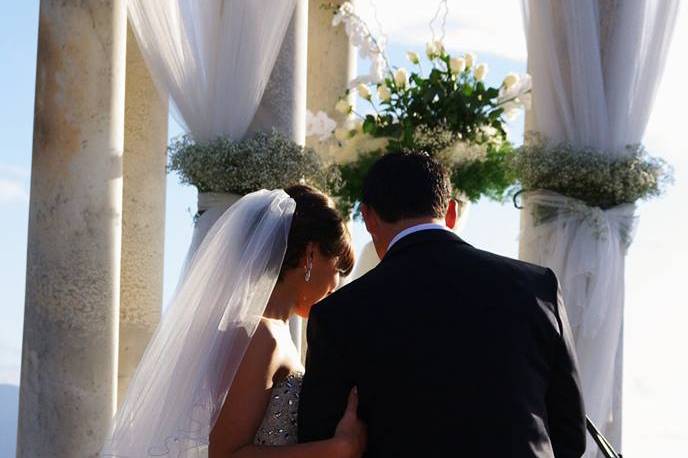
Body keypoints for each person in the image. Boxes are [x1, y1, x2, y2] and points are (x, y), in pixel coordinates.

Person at [298, 152, 587, 457]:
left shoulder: (337, 314)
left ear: (368, 217)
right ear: (451, 212)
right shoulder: (537, 287)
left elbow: (319, 439)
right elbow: (570, 436)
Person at [102, 185, 366, 458]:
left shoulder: (273, 332)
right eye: (337, 268)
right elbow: (228, 453)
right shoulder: (261, 336)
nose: (337, 285)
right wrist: (337, 448)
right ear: (310, 256)